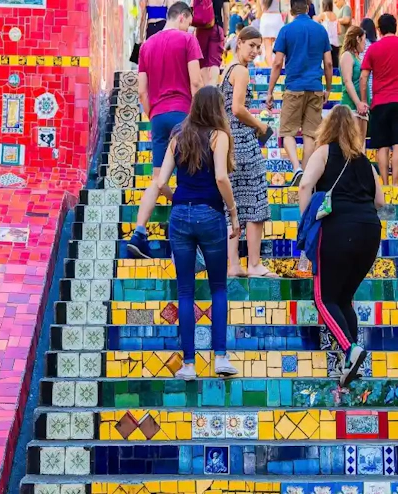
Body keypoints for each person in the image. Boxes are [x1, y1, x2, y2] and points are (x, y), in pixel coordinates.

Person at [153, 86, 241, 380]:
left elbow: (161, 182)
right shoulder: (219, 136)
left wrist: (176, 198)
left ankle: (189, 365)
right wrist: (233, 212)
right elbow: (220, 177)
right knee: (218, 287)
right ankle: (220, 359)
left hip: (180, 215)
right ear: (216, 108)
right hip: (210, 214)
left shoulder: (179, 135)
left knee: (186, 291)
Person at [297, 105, 385, 388]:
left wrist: (306, 221)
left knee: (323, 299)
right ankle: (353, 364)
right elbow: (381, 203)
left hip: (337, 230)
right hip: (370, 232)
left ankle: (350, 350)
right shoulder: (366, 163)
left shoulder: (324, 152)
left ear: (328, 128)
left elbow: (304, 185)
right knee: (344, 297)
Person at [128, 2, 203, 259]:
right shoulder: (187, 40)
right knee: (187, 174)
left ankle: (139, 232)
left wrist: (153, 114)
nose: (190, 27)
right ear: (182, 17)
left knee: (159, 180)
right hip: (183, 115)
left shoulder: (147, 46)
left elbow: (141, 91)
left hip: (158, 115)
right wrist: (199, 117)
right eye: (189, 22)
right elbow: (195, 81)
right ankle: (186, 241)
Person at [220, 27, 275, 278]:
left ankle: (234, 265)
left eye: (258, 47)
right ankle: (254, 264)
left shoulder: (226, 71)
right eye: (251, 45)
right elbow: (239, 108)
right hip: (244, 143)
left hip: (230, 146)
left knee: (235, 206)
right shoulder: (241, 71)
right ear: (239, 43)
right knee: (256, 204)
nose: (255, 51)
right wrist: (261, 125)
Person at [266, 0, 332, 186]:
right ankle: (307, 175)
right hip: (315, 87)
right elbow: (328, 63)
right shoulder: (320, 30)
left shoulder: (286, 30)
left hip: (294, 87)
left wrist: (270, 91)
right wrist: (328, 87)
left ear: (291, 8)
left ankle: (297, 168)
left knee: (287, 131)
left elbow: (278, 63)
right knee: (310, 134)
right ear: (307, 7)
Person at [359, 13, 398, 186]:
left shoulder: (374, 48)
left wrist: (362, 100)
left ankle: (385, 183)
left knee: (382, 145)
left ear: (379, 30)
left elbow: (363, 76)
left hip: (380, 102)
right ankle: (396, 184)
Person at [339, 26, 370, 139]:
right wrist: (358, 103)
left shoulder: (358, 58)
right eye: (364, 40)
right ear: (358, 39)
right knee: (352, 143)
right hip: (352, 106)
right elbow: (347, 81)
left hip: (362, 106)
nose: (365, 45)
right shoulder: (347, 56)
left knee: (361, 145)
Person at [196, 0, 230, 85]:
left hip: (201, 28)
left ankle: (205, 87)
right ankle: (213, 86)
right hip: (217, 28)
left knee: (203, 61)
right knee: (214, 61)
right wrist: (225, 33)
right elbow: (226, 15)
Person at [258, 0, 285, 66]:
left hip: (266, 18)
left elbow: (260, 9)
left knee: (268, 47)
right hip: (276, 17)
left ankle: (271, 67)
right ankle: (282, 66)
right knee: (281, 45)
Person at [315, 0, 340, 69]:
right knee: (335, 64)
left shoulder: (323, 15)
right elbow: (339, 31)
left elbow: (314, 24)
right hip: (335, 43)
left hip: (326, 43)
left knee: (327, 64)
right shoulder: (335, 15)